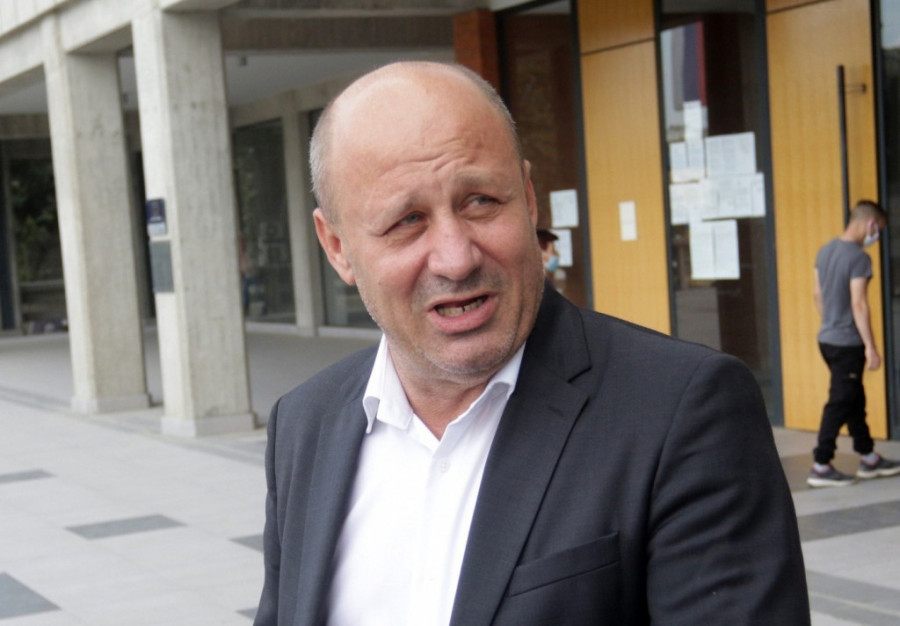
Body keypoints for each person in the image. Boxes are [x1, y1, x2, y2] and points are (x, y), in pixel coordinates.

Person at [255, 61, 809, 625]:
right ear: (337, 247)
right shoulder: (303, 425)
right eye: (407, 220)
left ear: (527, 198)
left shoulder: (682, 411)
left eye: (480, 201)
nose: (456, 258)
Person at [809, 200, 900, 487]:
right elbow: (859, 304)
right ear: (870, 224)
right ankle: (821, 463)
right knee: (840, 401)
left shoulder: (825, 250)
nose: (877, 235)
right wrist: (871, 346)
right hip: (847, 343)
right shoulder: (859, 258)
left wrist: (831, 321)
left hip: (827, 338)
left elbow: (817, 294)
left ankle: (868, 457)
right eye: (879, 229)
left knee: (854, 399)